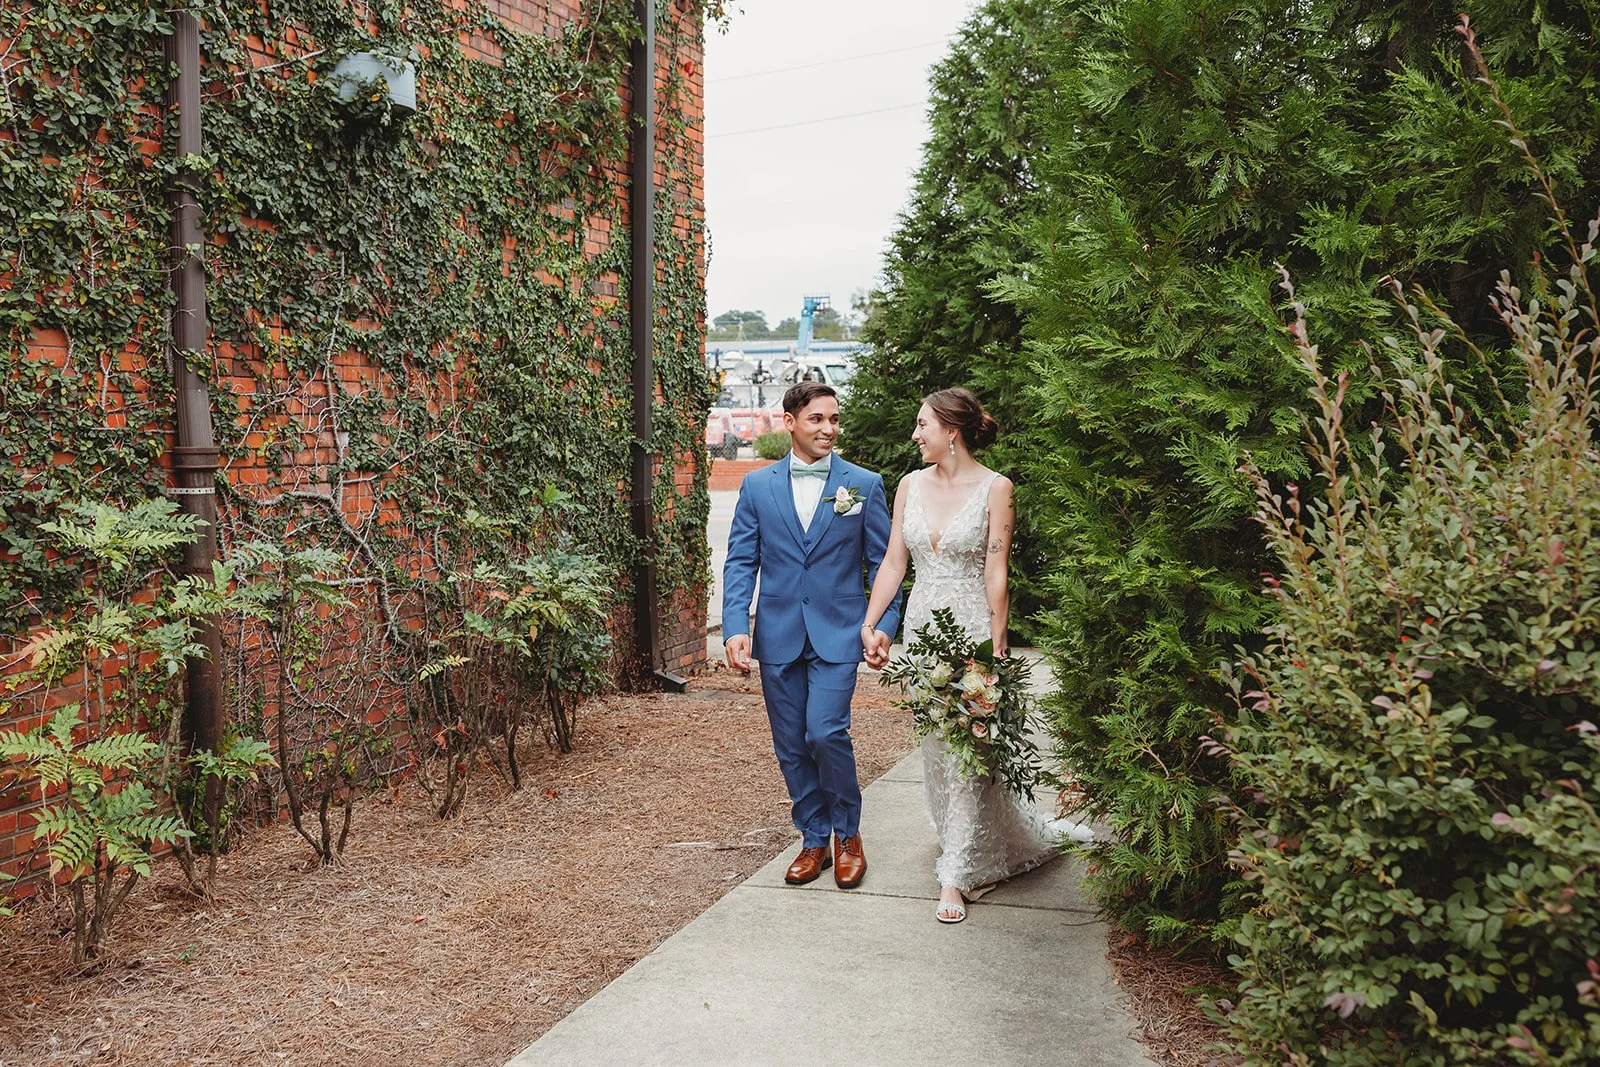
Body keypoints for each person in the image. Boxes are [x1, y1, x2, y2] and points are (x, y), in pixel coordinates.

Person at [861, 387, 1092, 924]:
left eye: (923, 425)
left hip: (971, 633)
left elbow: (996, 570)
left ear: (951, 430)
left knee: (972, 744)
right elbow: (895, 562)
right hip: (922, 631)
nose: (915, 435)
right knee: (939, 748)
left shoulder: (996, 488)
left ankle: (957, 873)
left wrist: (998, 643)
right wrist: (871, 624)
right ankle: (970, 838)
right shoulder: (909, 485)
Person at [722, 381, 902, 889]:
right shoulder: (758, 487)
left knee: (825, 731)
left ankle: (848, 834)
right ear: (790, 423)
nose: (829, 429)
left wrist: (883, 627)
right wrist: (736, 625)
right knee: (790, 743)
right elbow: (740, 561)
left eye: (834, 420)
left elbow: (885, 565)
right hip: (777, 633)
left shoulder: (863, 484)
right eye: (818, 419)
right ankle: (814, 838)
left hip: (839, 633)